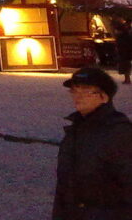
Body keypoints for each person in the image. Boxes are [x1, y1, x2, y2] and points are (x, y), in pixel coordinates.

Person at [53, 67, 132, 219]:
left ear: (104, 97)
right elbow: (64, 186)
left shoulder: (119, 133)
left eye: (87, 91)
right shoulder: (75, 130)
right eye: (75, 90)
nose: (78, 96)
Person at [115, 20, 132, 86]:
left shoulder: (124, 36)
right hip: (123, 53)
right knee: (124, 66)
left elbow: (126, 45)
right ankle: (126, 79)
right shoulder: (123, 36)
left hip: (125, 53)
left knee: (126, 66)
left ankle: (127, 79)